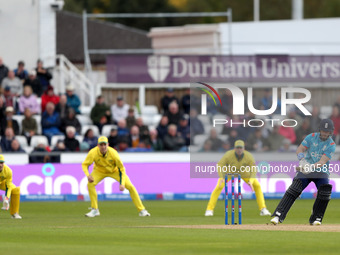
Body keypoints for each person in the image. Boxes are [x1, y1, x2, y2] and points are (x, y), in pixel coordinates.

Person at [271, 119, 336, 226]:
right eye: (323, 131)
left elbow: (322, 161)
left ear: (330, 132)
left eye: (327, 131)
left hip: (321, 170)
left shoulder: (331, 145)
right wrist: (302, 160)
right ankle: (278, 215)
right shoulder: (311, 137)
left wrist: (311, 167)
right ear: (320, 130)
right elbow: (300, 149)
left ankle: (317, 218)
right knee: (294, 188)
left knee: (325, 191)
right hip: (306, 168)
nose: (325, 133)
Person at [82, 136, 151, 217]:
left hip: (114, 171)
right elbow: (84, 164)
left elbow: (121, 168)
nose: (103, 147)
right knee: (90, 184)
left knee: (130, 187)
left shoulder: (113, 153)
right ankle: (95, 210)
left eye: (105, 144)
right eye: (101, 145)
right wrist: (88, 175)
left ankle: (142, 210)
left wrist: (122, 183)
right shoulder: (93, 152)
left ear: (108, 144)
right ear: (98, 145)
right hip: (99, 171)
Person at [205, 140, 271, 217]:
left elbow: (253, 169)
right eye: (237, 148)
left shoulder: (248, 156)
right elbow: (220, 164)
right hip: (229, 172)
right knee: (218, 187)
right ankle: (209, 209)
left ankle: (263, 209)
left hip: (243, 173)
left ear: (244, 148)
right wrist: (221, 177)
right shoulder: (228, 155)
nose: (239, 149)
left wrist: (251, 180)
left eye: (241, 148)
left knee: (257, 186)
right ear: (234, 148)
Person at [0, 154, 22, 219]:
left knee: (15, 190)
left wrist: (6, 198)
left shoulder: (8, 171)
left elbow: (8, 186)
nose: (0, 165)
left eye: (1, 163)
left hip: (2, 183)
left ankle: (14, 213)